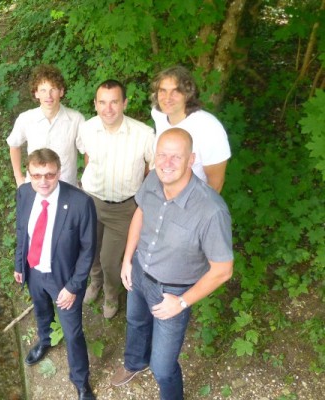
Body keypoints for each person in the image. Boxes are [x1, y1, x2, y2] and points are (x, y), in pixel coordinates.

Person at [110, 128, 234, 400]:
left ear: (191, 160)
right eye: (162, 155)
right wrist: (128, 259)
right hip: (140, 272)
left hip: (172, 292)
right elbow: (141, 212)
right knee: (135, 321)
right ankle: (134, 363)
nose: (166, 163)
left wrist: (181, 303)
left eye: (175, 157)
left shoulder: (211, 211)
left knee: (163, 367)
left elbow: (223, 270)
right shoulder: (154, 178)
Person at [14, 148, 97, 400]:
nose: (43, 181)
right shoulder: (25, 193)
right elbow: (22, 232)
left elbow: (88, 250)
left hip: (64, 278)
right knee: (41, 311)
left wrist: (73, 287)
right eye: (36, 175)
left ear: (59, 172)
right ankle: (45, 341)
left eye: (49, 175)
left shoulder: (81, 203)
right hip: (34, 271)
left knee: (72, 333)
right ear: (29, 174)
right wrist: (19, 264)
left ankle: (81, 382)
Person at [79, 79, 155, 319]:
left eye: (114, 102)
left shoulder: (143, 134)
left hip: (123, 210)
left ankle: (112, 294)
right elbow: (87, 157)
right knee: (90, 250)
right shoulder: (88, 128)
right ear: (95, 104)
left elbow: (151, 169)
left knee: (111, 260)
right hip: (90, 202)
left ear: (124, 103)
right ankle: (95, 282)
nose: (108, 108)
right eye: (102, 102)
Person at [150, 65, 231, 193]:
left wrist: (199, 211)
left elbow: (216, 183)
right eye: (162, 91)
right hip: (161, 194)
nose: (167, 98)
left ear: (188, 94)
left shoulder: (209, 128)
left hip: (191, 201)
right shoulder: (158, 114)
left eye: (175, 91)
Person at [7, 65, 85, 187]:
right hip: (35, 188)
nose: (48, 96)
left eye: (53, 89)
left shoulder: (76, 119)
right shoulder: (26, 119)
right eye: (43, 90)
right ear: (36, 93)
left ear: (61, 92)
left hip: (67, 188)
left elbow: (88, 151)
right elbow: (14, 145)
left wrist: (86, 181)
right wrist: (18, 177)